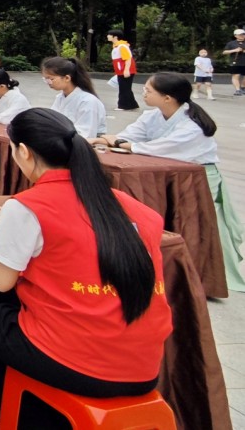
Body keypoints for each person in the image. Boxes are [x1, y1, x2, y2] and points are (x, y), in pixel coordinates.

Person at [0, 109, 172, 430]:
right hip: (144, 368)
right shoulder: (132, 207)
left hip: (80, 366)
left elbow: (0, 280)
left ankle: (16, 408)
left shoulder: (30, 205)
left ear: (24, 152)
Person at [91, 73, 245, 292]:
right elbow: (130, 135)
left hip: (195, 179)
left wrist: (123, 144)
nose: (143, 94)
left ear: (167, 98)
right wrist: (108, 140)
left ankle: (198, 276)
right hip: (164, 173)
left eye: (149, 91)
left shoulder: (192, 125)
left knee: (193, 226)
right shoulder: (152, 115)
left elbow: (159, 147)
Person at [41, 57, 106, 139]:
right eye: (45, 79)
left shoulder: (88, 101)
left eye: (50, 79)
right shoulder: (60, 98)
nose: (48, 83)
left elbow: (85, 135)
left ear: (67, 78)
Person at [107, 29, 139, 111]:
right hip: (121, 71)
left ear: (115, 37)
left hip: (125, 71)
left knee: (124, 88)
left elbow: (128, 58)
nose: (108, 36)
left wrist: (126, 70)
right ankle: (132, 104)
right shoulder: (117, 46)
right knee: (126, 88)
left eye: (109, 35)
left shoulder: (122, 46)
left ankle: (123, 106)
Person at [223, 28, 245, 95]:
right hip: (235, 62)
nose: (242, 35)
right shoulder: (231, 43)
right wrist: (234, 50)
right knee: (236, 76)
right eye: (240, 34)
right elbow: (224, 52)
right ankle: (238, 90)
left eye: (243, 34)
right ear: (236, 35)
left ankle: (243, 87)